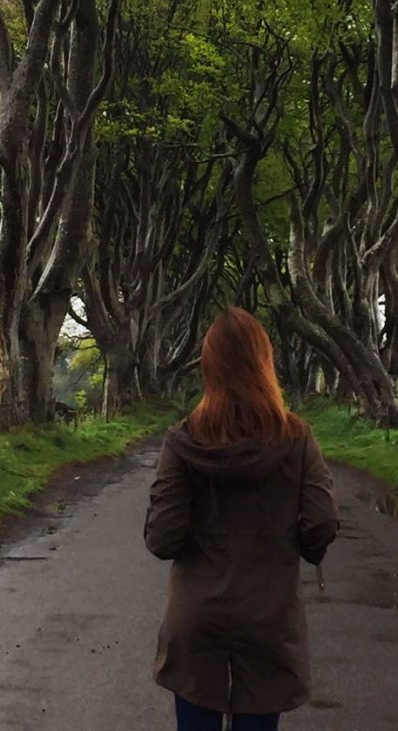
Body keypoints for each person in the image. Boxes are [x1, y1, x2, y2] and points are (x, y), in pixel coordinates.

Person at [144, 307, 338, 731]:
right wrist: (304, 547)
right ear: (264, 364)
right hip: (269, 618)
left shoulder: (182, 441)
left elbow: (161, 539)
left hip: (197, 619)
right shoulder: (297, 438)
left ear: (209, 367)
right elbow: (321, 522)